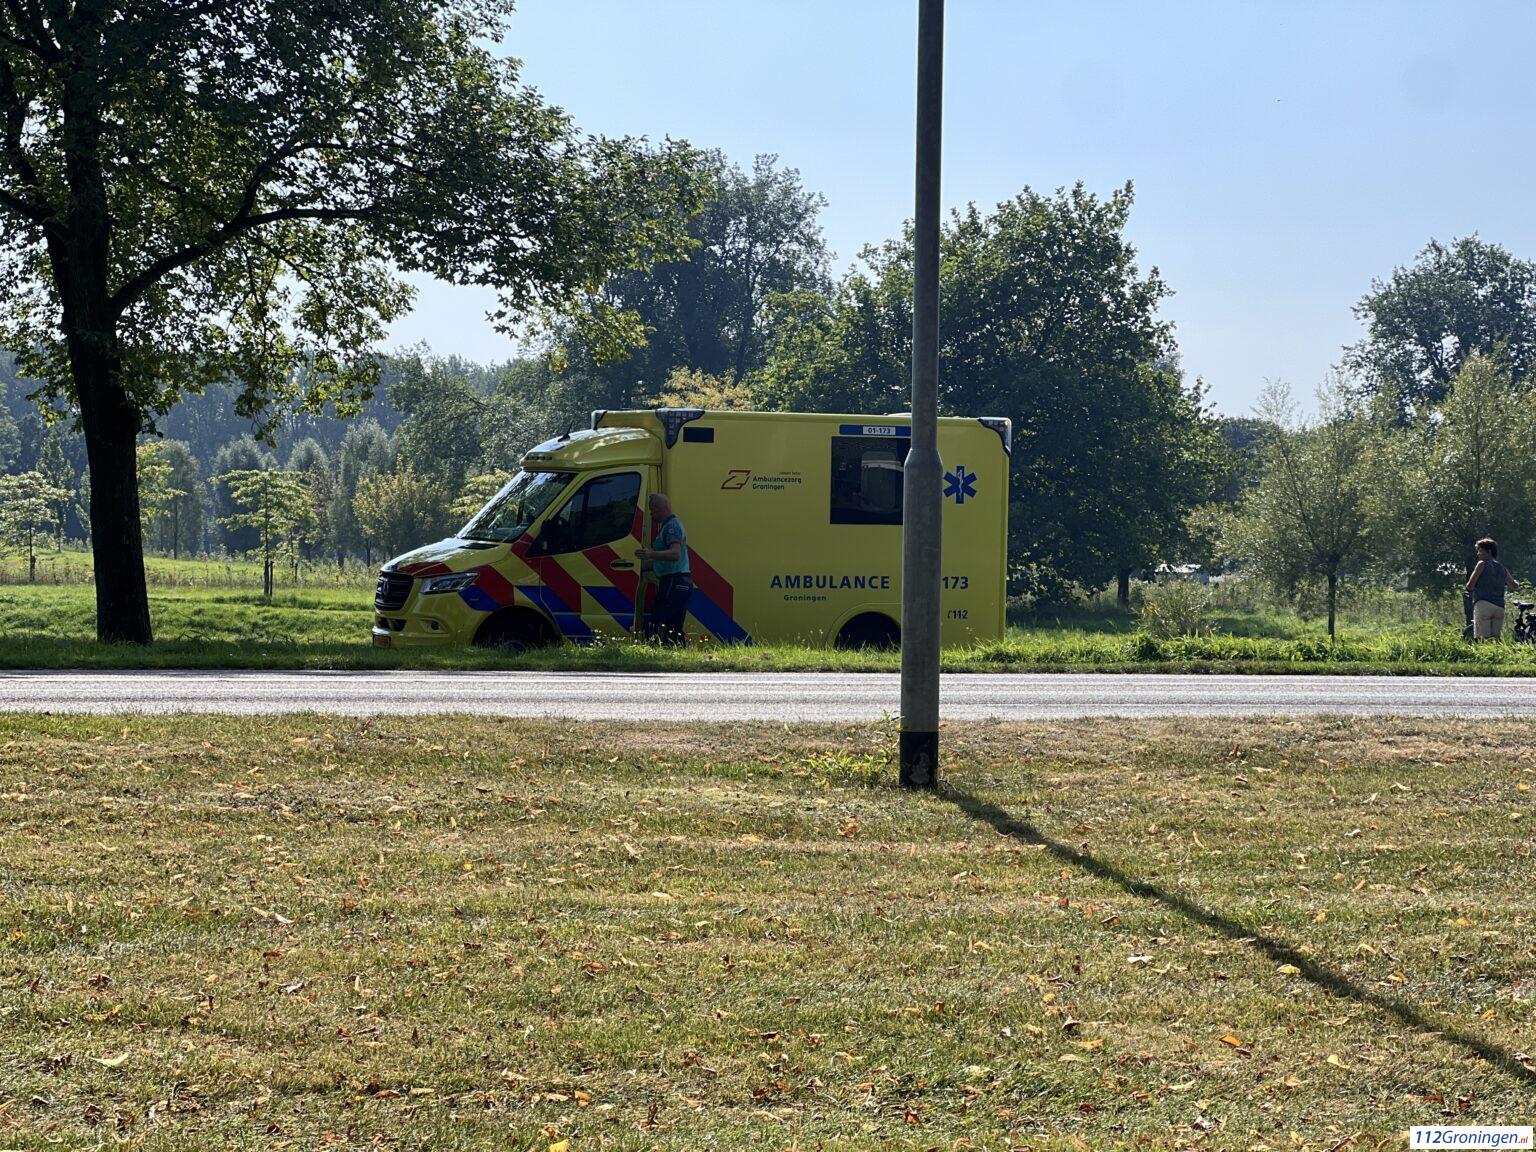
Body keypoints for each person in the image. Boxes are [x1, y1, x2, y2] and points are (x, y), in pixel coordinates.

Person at [636, 493, 691, 646]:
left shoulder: (671, 527)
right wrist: (637, 567)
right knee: (674, 626)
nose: (651, 514)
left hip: (674, 581)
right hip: (680, 581)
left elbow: (675, 554)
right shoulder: (669, 526)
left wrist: (649, 554)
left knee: (659, 621)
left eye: (651, 510)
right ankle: (678, 656)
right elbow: (663, 561)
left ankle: (655, 654)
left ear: (659, 508)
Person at [1464, 537, 1520, 640]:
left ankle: (1485, 655)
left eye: (1480, 551)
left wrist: (1470, 586)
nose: (1478, 554)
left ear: (1488, 552)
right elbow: (1514, 586)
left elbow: (1470, 586)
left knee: (1483, 639)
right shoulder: (1502, 568)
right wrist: (1517, 582)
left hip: (1483, 604)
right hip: (1499, 607)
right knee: (1495, 640)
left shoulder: (1481, 564)